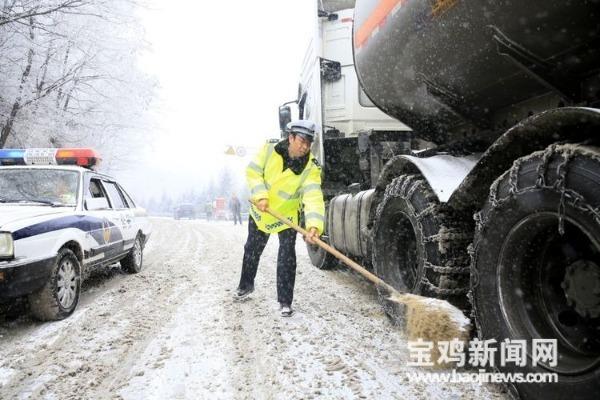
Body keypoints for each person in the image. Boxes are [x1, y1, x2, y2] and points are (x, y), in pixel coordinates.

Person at [234, 120, 325, 317]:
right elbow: (253, 171)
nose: (305, 146)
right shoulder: (269, 149)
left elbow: (313, 196)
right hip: (261, 211)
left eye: (309, 143)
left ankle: (285, 301)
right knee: (252, 249)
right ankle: (245, 285)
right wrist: (261, 196)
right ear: (290, 137)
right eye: (301, 140)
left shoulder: (311, 167)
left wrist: (314, 226)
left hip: (287, 216)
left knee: (287, 256)